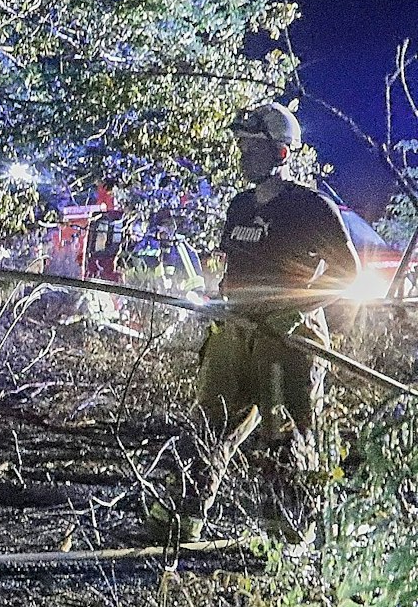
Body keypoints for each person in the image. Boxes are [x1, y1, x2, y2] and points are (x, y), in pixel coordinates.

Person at [149, 103, 359, 543]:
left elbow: (350, 276)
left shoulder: (310, 207)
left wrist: (297, 311)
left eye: (252, 146)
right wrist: (216, 300)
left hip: (286, 335)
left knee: (283, 438)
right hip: (236, 328)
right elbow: (236, 269)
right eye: (241, 144)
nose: (242, 153)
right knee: (209, 424)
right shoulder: (240, 206)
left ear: (280, 154)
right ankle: (180, 521)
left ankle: (287, 539)